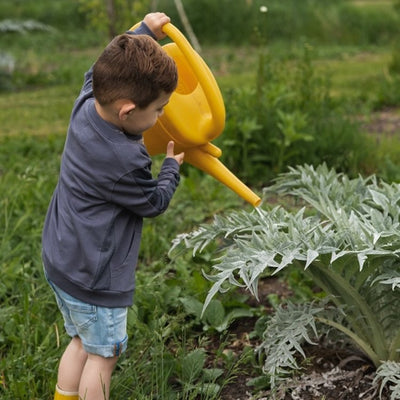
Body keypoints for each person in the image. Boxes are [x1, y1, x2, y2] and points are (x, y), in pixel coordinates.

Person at [42, 12, 184, 400]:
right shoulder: (125, 160)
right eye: (157, 110)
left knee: (80, 342)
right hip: (95, 277)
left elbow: (101, 65)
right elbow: (152, 202)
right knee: (102, 358)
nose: (161, 117)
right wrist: (170, 169)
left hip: (61, 259)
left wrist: (142, 32)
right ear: (127, 111)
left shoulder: (88, 99)